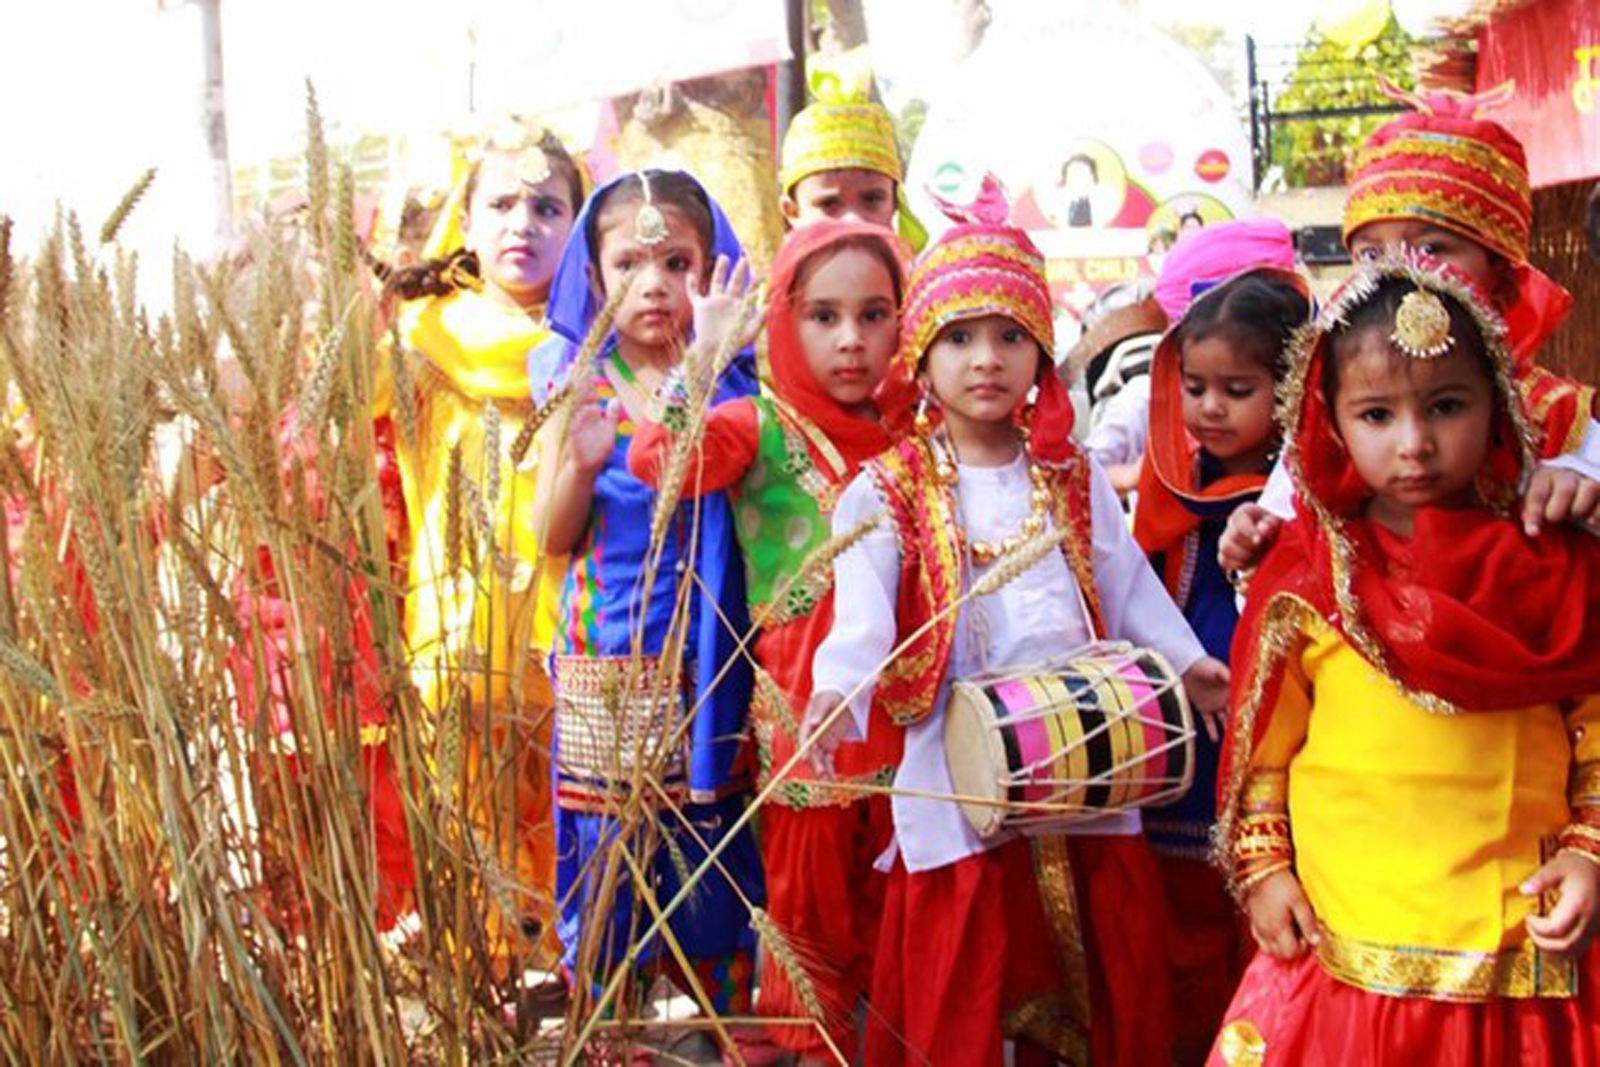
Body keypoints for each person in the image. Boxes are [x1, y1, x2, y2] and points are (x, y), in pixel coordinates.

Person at [804, 177, 1230, 1066]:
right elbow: (863, 611)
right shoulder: (885, 489)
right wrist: (838, 693)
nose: (985, 358)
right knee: (969, 961)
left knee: (1095, 949)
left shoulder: (1070, 476)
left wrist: (1186, 664)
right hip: (955, 762)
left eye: (1009, 336)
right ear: (919, 359)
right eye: (958, 338)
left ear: (1041, 354)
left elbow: (1128, 586)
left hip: (1086, 749)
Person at [1210, 254, 1600, 1064]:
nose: (1415, 444)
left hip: (1519, 953)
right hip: (1345, 956)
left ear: (1496, 405)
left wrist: (1588, 852)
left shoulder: (1553, 566)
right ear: (1331, 420)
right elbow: (1265, 754)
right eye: (1378, 414)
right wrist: (1264, 871)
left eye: (1446, 406)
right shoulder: (1307, 574)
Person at [630, 219, 912, 1062]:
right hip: (808, 714)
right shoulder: (761, 423)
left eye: (875, 314)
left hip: (914, 697)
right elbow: (659, 461)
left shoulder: (920, 424)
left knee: (902, 896)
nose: (852, 340)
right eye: (823, 316)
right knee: (807, 903)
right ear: (785, 319)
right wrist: (705, 358)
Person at [528, 170, 765, 1029]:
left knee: (713, 851)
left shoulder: (740, 381)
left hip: (714, 660)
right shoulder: (577, 378)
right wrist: (583, 464)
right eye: (629, 262)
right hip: (609, 658)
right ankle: (609, 1030)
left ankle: (721, 1029)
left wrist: (708, 362)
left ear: (712, 269)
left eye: (677, 260)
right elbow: (552, 536)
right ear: (594, 277)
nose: (654, 283)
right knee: (609, 866)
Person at [1219, 82, 1600, 574]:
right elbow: (1291, 538)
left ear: (1502, 283)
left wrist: (1580, 483)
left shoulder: (1564, 422)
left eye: (1433, 248)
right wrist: (1258, 535)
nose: (1399, 271)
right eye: (1372, 254)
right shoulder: (1330, 413)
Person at [373, 117, 585, 959]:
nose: (522, 224)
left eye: (546, 206)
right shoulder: (425, 337)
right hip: (463, 622)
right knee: (482, 812)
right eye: (500, 203)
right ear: (467, 218)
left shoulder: (603, 335)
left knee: (576, 802)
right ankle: (497, 965)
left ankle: (582, 962)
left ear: (579, 220)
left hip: (573, 613)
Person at [1129, 219, 1310, 1065]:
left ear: (1293, 385)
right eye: (1195, 386)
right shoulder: (1170, 481)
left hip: (1277, 722)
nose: (1207, 408)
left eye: (1235, 389)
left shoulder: (1310, 485)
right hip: (1184, 727)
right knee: (1183, 908)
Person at [778, 50, 926, 248]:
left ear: (896, 204)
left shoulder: (928, 278)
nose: (853, 221)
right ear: (792, 211)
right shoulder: (778, 280)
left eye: (872, 199)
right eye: (829, 204)